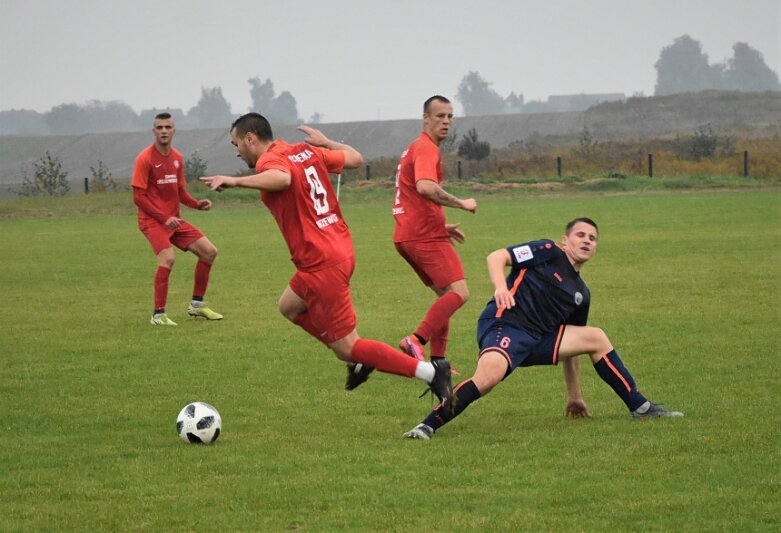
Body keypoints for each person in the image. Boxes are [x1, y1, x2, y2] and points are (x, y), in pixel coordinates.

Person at [200, 112, 455, 413]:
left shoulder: (270, 161)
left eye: (236, 144)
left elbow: (282, 179)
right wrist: (325, 142)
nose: (237, 151)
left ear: (250, 138)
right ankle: (359, 359)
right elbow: (355, 159)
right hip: (336, 250)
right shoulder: (304, 150)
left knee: (348, 348)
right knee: (289, 306)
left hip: (322, 262)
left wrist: (233, 180)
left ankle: (429, 373)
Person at [403, 217, 684, 440]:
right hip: (506, 324)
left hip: (538, 339)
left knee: (595, 337)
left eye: (592, 238)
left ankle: (640, 407)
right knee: (488, 378)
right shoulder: (547, 251)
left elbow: (572, 349)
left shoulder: (580, 294)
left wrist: (574, 396)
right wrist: (501, 287)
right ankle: (428, 425)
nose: (587, 241)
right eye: (581, 235)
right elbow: (496, 256)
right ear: (566, 240)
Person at [392, 95, 476, 365]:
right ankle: (416, 340)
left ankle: (439, 364)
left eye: (450, 116)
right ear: (425, 118)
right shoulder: (427, 148)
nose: (446, 121)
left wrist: (442, 224)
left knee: (445, 298)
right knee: (460, 293)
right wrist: (461, 203)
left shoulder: (415, 148)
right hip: (422, 235)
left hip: (411, 234)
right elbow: (425, 187)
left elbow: (411, 195)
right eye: (440, 116)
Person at [132, 112, 222, 326]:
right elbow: (138, 197)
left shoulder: (177, 159)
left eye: (167, 127)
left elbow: (180, 192)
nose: (163, 131)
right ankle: (158, 315)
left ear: (174, 131)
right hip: (152, 221)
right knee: (168, 259)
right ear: (153, 131)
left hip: (173, 221)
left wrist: (197, 204)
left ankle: (197, 305)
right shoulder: (144, 159)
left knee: (209, 252)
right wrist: (163, 218)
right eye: (159, 127)